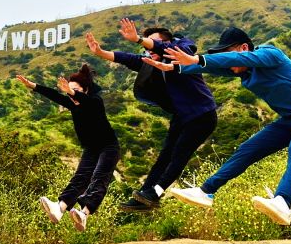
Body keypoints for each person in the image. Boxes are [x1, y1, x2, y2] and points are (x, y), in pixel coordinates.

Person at [143, 26, 291, 225]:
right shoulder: (245, 73)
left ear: (244, 47)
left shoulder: (270, 54)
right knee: (248, 149)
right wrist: (177, 67)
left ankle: (283, 202)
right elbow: (215, 67)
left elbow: (236, 60)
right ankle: (206, 191)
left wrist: (197, 58)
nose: (229, 64)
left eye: (228, 52)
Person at [86, 18, 217, 212]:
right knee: (164, 157)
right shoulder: (151, 61)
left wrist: (139, 39)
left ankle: (154, 193)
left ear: (166, 42)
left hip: (202, 114)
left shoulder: (182, 47)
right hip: (182, 117)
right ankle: (144, 196)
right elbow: (127, 58)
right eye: (147, 47)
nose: (149, 50)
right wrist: (100, 52)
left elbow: (169, 48)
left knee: (179, 154)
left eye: (152, 44)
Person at [15, 64, 119, 232]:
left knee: (99, 178)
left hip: (109, 147)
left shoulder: (95, 101)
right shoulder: (73, 104)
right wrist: (33, 86)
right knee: (80, 178)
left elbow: (87, 101)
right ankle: (59, 208)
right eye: (68, 90)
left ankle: (84, 214)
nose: (70, 94)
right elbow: (54, 95)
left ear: (85, 90)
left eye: (75, 90)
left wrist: (70, 91)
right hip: (91, 148)